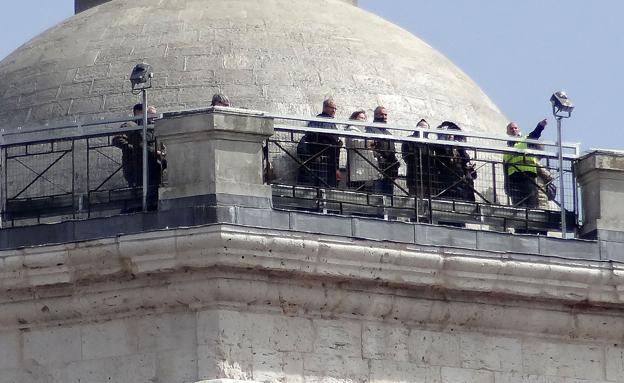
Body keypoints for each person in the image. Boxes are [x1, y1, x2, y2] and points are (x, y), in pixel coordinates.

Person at [112, 104, 166, 211]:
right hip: (136, 167)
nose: (153, 117)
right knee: (139, 195)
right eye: (151, 114)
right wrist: (134, 148)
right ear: (138, 113)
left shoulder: (153, 129)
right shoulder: (131, 125)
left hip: (153, 166)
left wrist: (161, 153)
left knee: (153, 191)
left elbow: (161, 145)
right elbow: (117, 139)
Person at [296, 98, 342, 187]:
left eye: (335, 108)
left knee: (325, 183)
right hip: (319, 158)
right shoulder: (318, 120)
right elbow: (312, 135)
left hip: (329, 160)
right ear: (325, 108)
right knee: (319, 183)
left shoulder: (332, 122)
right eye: (332, 108)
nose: (334, 110)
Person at [503, 119, 547, 208]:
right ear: (507, 132)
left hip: (528, 176)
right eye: (511, 128)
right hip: (513, 179)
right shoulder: (506, 149)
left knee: (531, 203)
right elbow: (505, 169)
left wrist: (540, 126)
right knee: (517, 205)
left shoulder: (525, 140)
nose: (514, 130)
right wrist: (506, 185)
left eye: (515, 128)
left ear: (519, 130)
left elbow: (534, 135)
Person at [434, 121, 476, 202]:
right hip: (446, 186)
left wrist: (459, 147)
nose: (450, 136)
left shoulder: (461, 151)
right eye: (448, 134)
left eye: (452, 134)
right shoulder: (441, 149)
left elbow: (467, 164)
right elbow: (440, 155)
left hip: (462, 188)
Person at [344, 110, 381, 192]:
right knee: (356, 193)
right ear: (354, 119)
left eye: (364, 118)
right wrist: (370, 142)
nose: (363, 120)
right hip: (356, 169)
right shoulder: (351, 130)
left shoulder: (363, 132)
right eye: (361, 118)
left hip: (364, 169)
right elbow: (355, 142)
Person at [366, 106, 399, 195]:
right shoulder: (370, 130)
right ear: (375, 115)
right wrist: (379, 159)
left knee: (389, 197)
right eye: (381, 114)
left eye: (385, 115)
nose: (384, 117)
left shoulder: (389, 133)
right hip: (377, 169)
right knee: (377, 196)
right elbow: (369, 148)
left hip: (389, 171)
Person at [401, 119, 437, 198]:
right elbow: (406, 156)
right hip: (414, 176)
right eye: (421, 127)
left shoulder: (430, 143)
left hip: (429, 178)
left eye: (425, 128)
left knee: (429, 202)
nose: (423, 130)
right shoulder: (409, 140)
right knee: (415, 201)